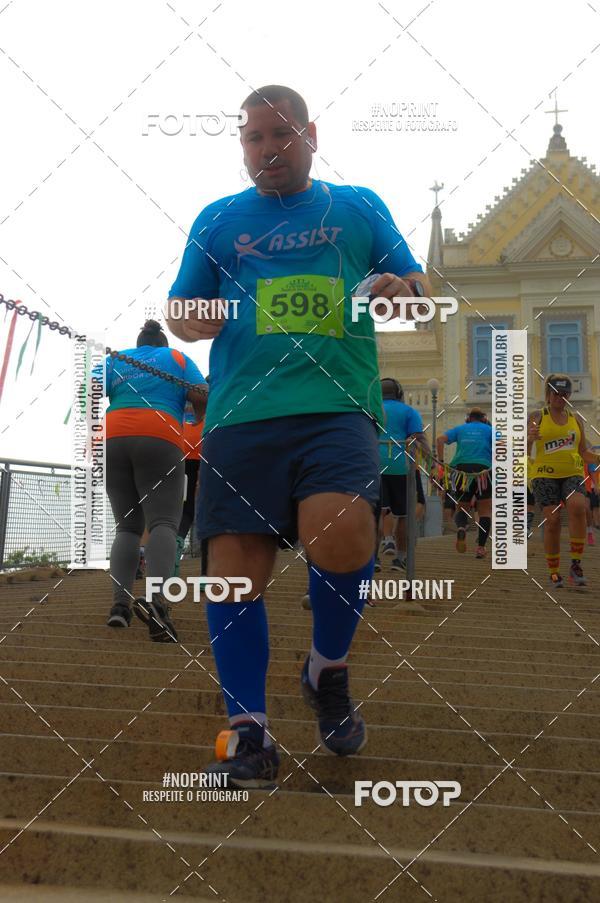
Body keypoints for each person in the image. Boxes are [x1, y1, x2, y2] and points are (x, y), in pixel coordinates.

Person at [166, 84, 431, 788]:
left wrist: (403, 289)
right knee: (233, 577)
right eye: (253, 139)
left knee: (342, 535)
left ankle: (325, 667)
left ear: (310, 134)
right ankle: (248, 732)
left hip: (336, 403)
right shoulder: (218, 220)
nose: (267, 150)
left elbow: (413, 277)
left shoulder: (358, 205)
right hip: (239, 415)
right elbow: (182, 306)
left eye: (279, 135)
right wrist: (194, 318)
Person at [103, 320, 207, 640]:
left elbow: (88, 397)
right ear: (162, 343)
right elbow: (202, 394)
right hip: (160, 435)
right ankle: (156, 602)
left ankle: (119, 607)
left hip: (113, 436)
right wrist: (197, 414)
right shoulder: (175, 359)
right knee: (163, 522)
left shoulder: (115, 359)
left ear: (139, 342)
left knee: (127, 527)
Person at [528, 374, 600, 587]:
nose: (561, 398)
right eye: (556, 394)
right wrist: (529, 438)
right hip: (543, 474)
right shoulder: (537, 416)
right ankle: (553, 570)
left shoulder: (575, 419)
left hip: (572, 472)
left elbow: (583, 452)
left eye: (565, 394)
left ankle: (576, 565)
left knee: (578, 506)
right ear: (548, 395)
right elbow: (525, 447)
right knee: (552, 521)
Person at [377, 378, 429, 571]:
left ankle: (376, 555)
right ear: (399, 394)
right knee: (404, 514)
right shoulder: (409, 411)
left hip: (374, 465)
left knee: (378, 511)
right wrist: (431, 463)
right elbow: (419, 438)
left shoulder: (371, 409)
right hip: (402, 467)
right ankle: (400, 558)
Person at [436, 408, 492, 558]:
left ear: (469, 419)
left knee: (462, 506)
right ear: (483, 419)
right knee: (485, 511)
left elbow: (440, 439)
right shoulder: (489, 430)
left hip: (461, 470)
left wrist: (441, 462)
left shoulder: (460, 429)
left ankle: (461, 527)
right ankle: (480, 548)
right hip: (483, 470)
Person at [172, 402, 204, 576]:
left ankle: (176, 542)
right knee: (202, 511)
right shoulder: (210, 405)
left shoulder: (179, 407)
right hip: (202, 456)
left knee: (184, 510)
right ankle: (206, 573)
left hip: (180, 456)